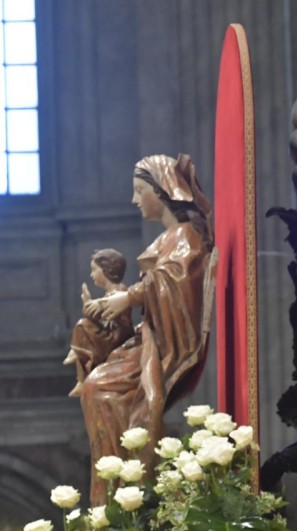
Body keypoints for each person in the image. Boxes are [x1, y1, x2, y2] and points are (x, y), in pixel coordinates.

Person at [80, 154, 214, 505]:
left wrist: (130, 297)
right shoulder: (171, 237)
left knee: (101, 388)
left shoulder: (186, 236)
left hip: (164, 342)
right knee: (96, 386)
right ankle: (116, 490)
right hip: (151, 336)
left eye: (140, 190)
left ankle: (125, 487)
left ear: (162, 190)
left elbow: (177, 283)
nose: (134, 199)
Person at [63, 248, 134, 398]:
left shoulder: (120, 291)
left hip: (118, 335)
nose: (91, 274)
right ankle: (80, 377)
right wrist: (88, 304)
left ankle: (78, 360)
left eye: (94, 269)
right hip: (111, 330)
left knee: (82, 326)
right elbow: (101, 317)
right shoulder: (110, 293)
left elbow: (108, 315)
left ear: (106, 269)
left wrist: (90, 305)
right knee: (83, 327)